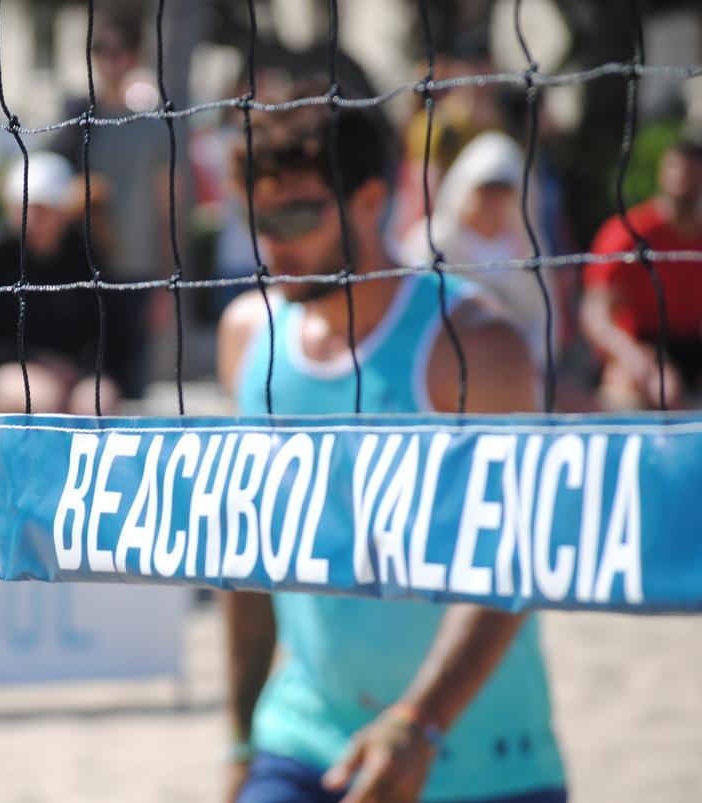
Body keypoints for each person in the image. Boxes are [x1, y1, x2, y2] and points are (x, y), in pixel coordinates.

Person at [217, 92, 565, 802]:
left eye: (296, 216)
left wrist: (420, 721)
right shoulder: (249, 336)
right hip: (302, 739)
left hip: (477, 754)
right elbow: (245, 557)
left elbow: (517, 557)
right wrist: (240, 741)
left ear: (370, 200)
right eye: (260, 220)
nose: (273, 243)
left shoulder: (474, 344)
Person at [50, 9, 169, 400]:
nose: (109, 59)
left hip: (138, 271)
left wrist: (168, 282)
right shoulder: (76, 119)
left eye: (118, 50)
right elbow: (50, 186)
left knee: (132, 390)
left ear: (135, 55)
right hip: (83, 270)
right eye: (100, 49)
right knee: (88, 388)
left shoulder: (153, 124)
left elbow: (166, 207)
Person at [0, 153, 118, 415]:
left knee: (98, 401)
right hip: (7, 369)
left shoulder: (86, 259)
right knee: (41, 398)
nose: (33, 217)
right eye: (25, 207)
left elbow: (107, 332)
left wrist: (84, 369)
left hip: (76, 371)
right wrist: (32, 360)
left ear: (65, 211)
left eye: (45, 209)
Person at [400, 131, 561, 372]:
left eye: (501, 192)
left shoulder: (528, 248)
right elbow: (408, 306)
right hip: (441, 366)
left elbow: (545, 318)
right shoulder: (432, 241)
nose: (491, 201)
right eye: (484, 191)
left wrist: (526, 362)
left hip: (512, 371)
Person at [580, 128, 702, 410]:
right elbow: (595, 312)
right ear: (664, 170)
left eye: (694, 169)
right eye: (678, 167)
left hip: (689, 347)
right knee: (631, 388)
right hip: (635, 345)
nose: (684, 178)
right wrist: (631, 356)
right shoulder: (629, 233)